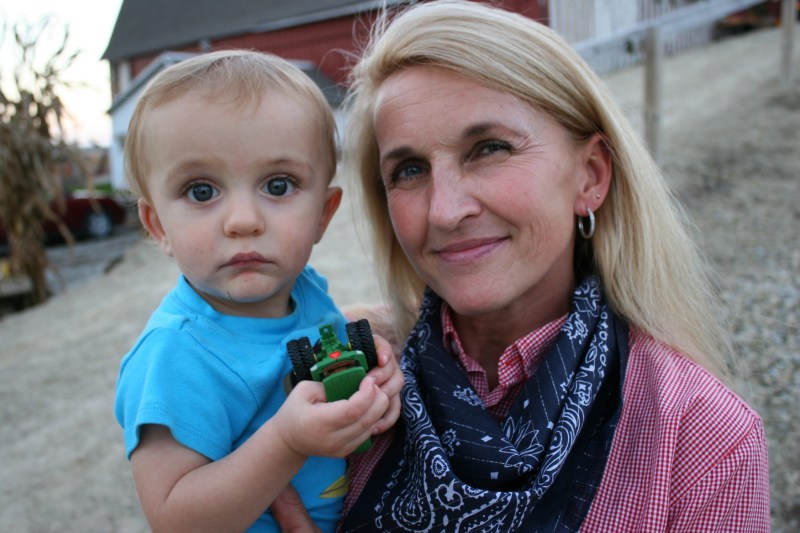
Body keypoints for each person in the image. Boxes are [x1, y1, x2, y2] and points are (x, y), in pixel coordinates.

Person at [317, 1, 769, 531]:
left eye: (488, 148)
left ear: (591, 176)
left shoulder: (701, 438)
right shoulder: (350, 381)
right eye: (409, 169)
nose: (444, 210)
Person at [113, 50, 403, 533]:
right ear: (157, 224)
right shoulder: (174, 355)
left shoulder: (306, 294)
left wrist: (371, 392)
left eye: (278, 184)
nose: (244, 221)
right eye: (201, 191)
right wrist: (287, 443)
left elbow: (327, 382)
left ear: (323, 214)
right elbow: (175, 517)